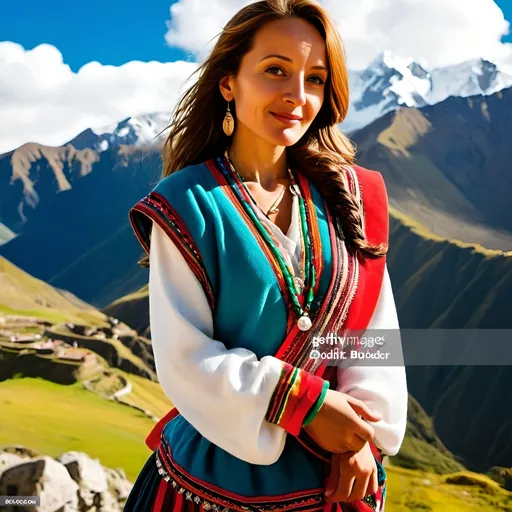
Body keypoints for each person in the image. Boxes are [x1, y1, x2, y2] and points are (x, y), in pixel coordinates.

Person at [124, 1, 408, 510]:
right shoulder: (187, 205)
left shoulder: (352, 199)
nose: (297, 96)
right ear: (229, 82)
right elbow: (184, 359)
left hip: (339, 480)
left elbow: (372, 336)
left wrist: (360, 434)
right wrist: (306, 404)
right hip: (212, 484)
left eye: (315, 79)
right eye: (275, 70)